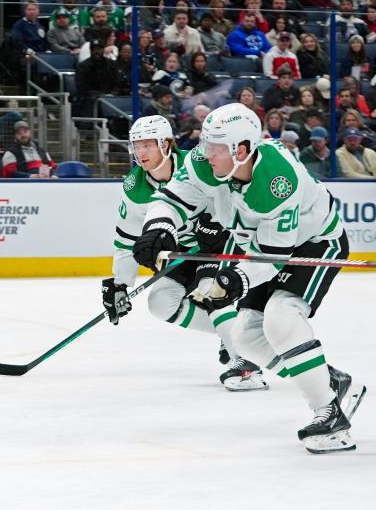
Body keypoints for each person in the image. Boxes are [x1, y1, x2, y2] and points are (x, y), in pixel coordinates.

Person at [132, 102, 365, 454]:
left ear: (241, 150)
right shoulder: (207, 162)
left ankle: (330, 415)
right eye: (206, 144)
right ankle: (329, 380)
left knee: (282, 317)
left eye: (215, 147)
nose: (205, 154)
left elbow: (274, 257)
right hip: (263, 248)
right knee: (245, 335)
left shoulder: (276, 181)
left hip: (314, 243)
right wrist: (158, 227)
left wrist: (233, 280)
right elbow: (172, 198)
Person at [104, 115, 265, 390]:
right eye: (136, 146)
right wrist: (119, 283)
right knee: (160, 303)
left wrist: (217, 221)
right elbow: (127, 237)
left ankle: (246, 364)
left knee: (209, 289)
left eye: (147, 145)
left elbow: (233, 193)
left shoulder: (198, 164)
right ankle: (234, 334)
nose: (140, 153)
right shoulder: (135, 187)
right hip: (181, 252)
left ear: (166, 145)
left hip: (218, 242)